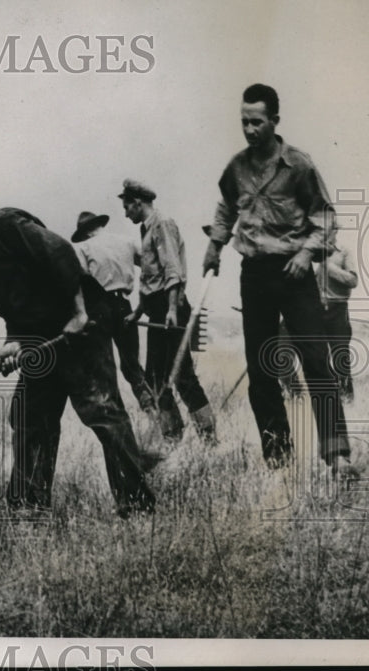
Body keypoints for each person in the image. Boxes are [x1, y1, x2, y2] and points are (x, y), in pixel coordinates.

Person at [0, 185, 156, 517]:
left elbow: (61, 253)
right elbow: (14, 310)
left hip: (80, 330)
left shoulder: (4, 224)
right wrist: (13, 342)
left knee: (102, 412)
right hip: (43, 343)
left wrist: (79, 313)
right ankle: (29, 510)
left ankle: (137, 507)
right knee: (29, 418)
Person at [202, 83, 352, 475]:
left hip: (294, 273)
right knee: (261, 368)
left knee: (316, 360)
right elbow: (226, 207)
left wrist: (306, 253)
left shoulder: (299, 165)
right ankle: (279, 459)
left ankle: (337, 454)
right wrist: (215, 245)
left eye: (257, 122)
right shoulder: (236, 167)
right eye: (244, 122)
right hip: (254, 275)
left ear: (274, 121)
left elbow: (325, 217)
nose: (249, 129)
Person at [120, 180, 217, 443]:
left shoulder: (162, 224)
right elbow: (151, 278)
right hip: (158, 311)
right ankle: (172, 438)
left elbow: (172, 270)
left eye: (127, 207)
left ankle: (209, 438)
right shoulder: (146, 229)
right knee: (155, 378)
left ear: (138, 202)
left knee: (182, 376)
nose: (125, 213)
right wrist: (138, 312)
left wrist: (172, 309)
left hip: (170, 310)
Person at [70, 210, 157, 413]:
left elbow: (81, 281)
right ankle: (153, 411)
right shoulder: (126, 241)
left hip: (98, 309)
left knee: (104, 367)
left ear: (86, 232)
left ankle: (116, 419)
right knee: (131, 365)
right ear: (99, 225)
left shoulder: (83, 247)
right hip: (124, 307)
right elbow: (150, 265)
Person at [318, 239, 358, 404]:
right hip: (314, 311)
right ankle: (330, 392)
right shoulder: (308, 251)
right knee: (317, 355)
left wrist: (330, 268)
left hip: (337, 310)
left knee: (340, 356)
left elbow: (353, 281)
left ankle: (347, 397)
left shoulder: (343, 251)